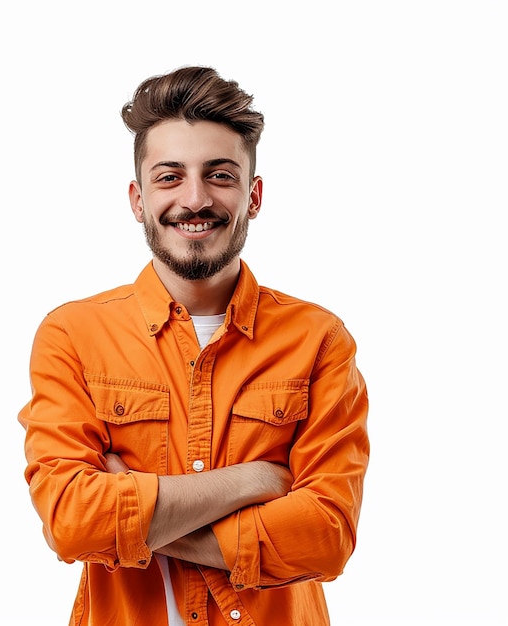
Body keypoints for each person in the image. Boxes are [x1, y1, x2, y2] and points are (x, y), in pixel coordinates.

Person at [18, 65, 369, 626]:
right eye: (169, 176)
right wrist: (254, 482)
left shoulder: (318, 340)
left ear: (254, 196)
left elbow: (325, 537)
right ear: (138, 198)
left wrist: (134, 511)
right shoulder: (73, 336)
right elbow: (71, 524)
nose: (196, 198)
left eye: (221, 175)